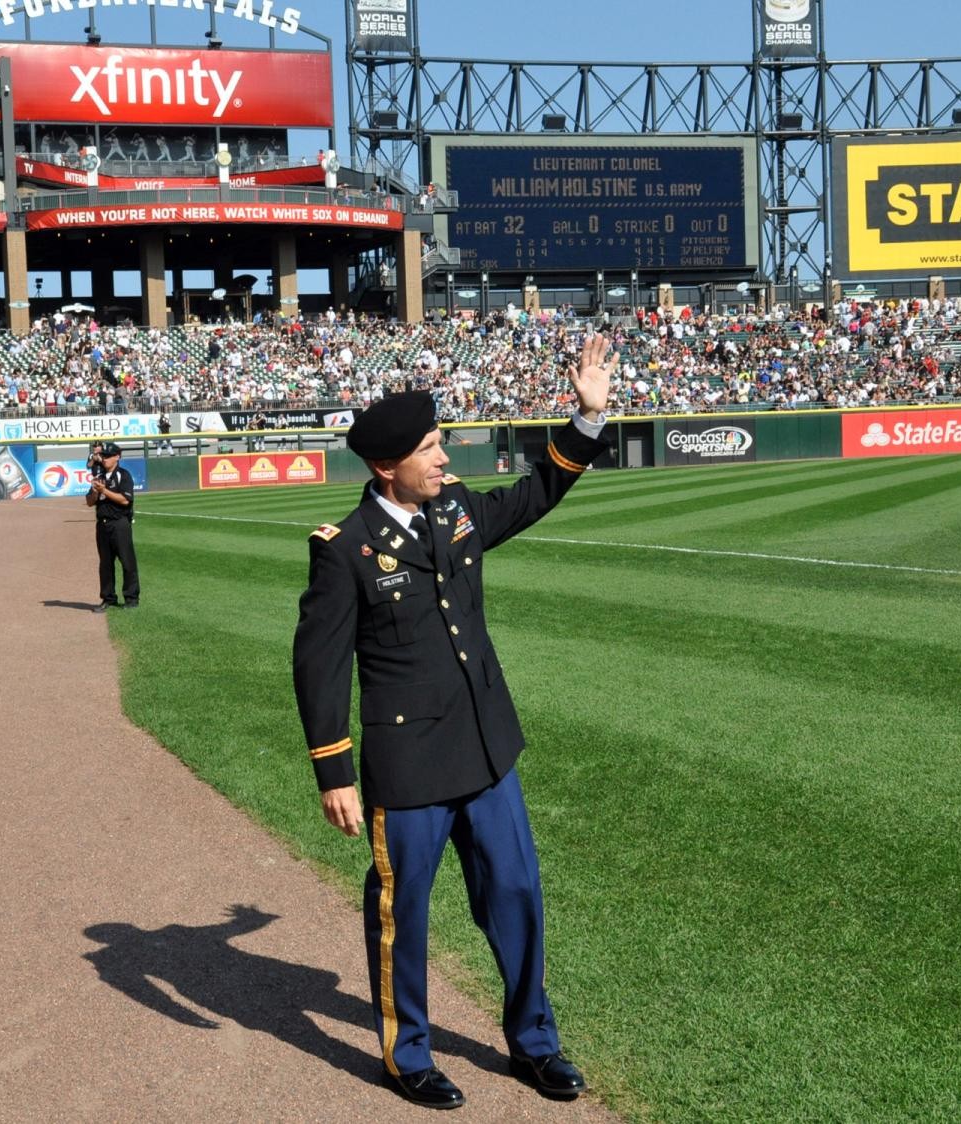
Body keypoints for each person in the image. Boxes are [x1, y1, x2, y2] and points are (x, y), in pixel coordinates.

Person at [290, 335, 615, 1109]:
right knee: (403, 914)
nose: (444, 457)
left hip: (487, 748)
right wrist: (333, 769)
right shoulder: (346, 550)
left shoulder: (458, 510)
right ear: (385, 466)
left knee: (517, 894)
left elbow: (537, 492)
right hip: (409, 769)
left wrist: (588, 417)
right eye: (431, 448)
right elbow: (319, 665)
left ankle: (534, 1043)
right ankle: (408, 1056)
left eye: (441, 444)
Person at [86, 442, 139, 612]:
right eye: (103, 456)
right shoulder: (99, 476)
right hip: (102, 525)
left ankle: (131, 598)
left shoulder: (123, 475)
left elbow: (125, 499)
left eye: (108, 456)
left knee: (127, 561)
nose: (105, 459)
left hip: (120, 523)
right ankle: (108, 598)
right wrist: (95, 491)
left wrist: (104, 491)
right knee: (105, 564)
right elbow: (89, 502)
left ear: (117, 456)